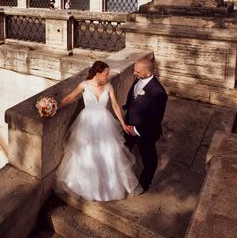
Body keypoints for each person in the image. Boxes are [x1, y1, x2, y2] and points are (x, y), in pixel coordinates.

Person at [55, 61, 141, 201]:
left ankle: (110, 187)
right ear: (98, 73)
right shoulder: (84, 85)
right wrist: (55, 107)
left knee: (109, 153)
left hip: (104, 123)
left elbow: (114, 105)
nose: (108, 76)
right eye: (106, 73)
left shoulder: (108, 87)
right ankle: (87, 186)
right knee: (87, 153)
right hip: (87, 122)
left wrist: (123, 123)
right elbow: (71, 97)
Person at [123, 58, 168, 192]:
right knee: (121, 151)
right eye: (134, 70)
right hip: (128, 125)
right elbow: (132, 99)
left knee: (149, 160)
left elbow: (155, 119)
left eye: (137, 71)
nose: (134, 73)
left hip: (145, 132)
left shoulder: (158, 93)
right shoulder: (138, 79)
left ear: (148, 72)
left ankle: (144, 184)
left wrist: (136, 129)